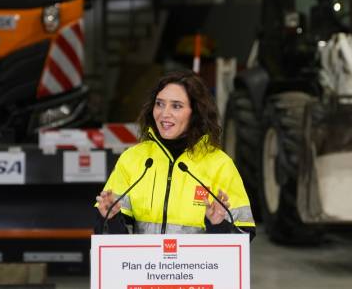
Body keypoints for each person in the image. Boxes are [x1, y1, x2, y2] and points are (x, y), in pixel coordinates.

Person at [94, 70, 256, 239]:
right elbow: (110, 240)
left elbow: (244, 238)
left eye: (176, 106)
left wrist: (218, 225)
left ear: (195, 112)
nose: (164, 113)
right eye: (160, 104)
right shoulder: (133, 159)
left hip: (198, 266)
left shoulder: (220, 164)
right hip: (144, 265)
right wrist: (110, 218)